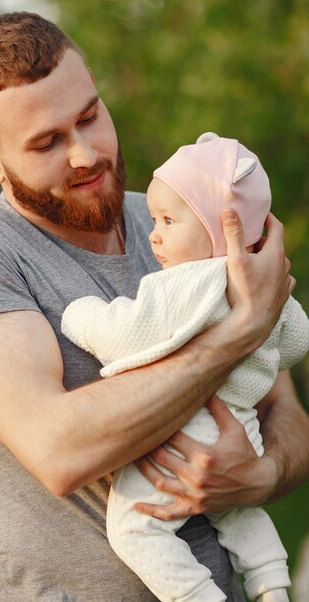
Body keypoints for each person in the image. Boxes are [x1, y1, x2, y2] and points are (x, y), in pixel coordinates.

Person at [0, 12, 309, 602]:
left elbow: (285, 410)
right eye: (47, 142)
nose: (85, 154)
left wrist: (258, 477)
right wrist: (240, 329)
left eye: (90, 117)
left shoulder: (180, 224)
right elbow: (59, 450)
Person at [61, 132, 309, 602]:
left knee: (134, 527)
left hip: (182, 435)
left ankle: (196, 595)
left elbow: (123, 333)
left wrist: (81, 314)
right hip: (242, 430)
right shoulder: (267, 283)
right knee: (235, 508)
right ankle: (271, 584)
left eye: (169, 220)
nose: (153, 233)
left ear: (220, 227)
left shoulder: (183, 283)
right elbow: (297, 342)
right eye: (155, 218)